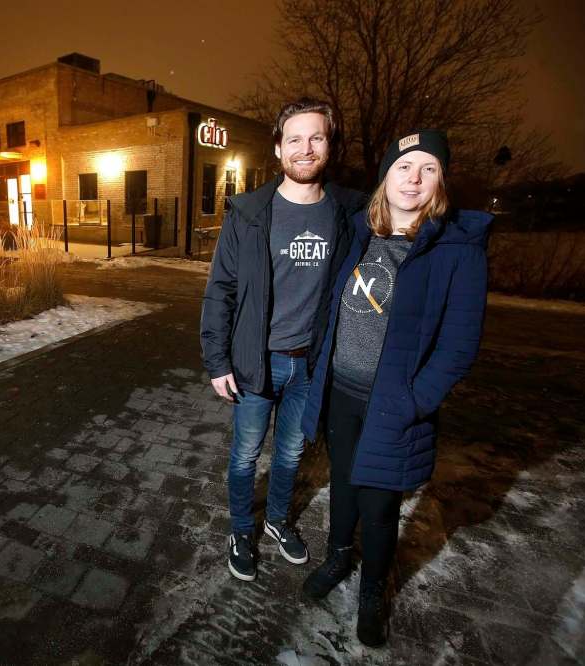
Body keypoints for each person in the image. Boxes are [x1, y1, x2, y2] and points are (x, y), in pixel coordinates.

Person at [299, 130, 491, 647]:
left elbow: (458, 347)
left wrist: (415, 401)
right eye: (405, 167)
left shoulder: (457, 250)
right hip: (342, 389)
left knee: (380, 503)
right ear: (386, 175)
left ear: (441, 182)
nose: (415, 178)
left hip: (394, 404)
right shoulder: (361, 232)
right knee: (342, 480)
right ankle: (338, 557)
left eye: (429, 169)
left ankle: (372, 589)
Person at [200, 98, 366, 582]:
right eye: (294, 138)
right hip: (256, 362)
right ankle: (241, 529)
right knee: (246, 454)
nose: (305, 147)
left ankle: (275, 521)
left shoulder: (348, 214)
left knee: (292, 453)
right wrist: (217, 360)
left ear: (329, 145)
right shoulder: (249, 214)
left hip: (310, 365)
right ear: (278, 148)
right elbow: (221, 290)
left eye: (316, 137)